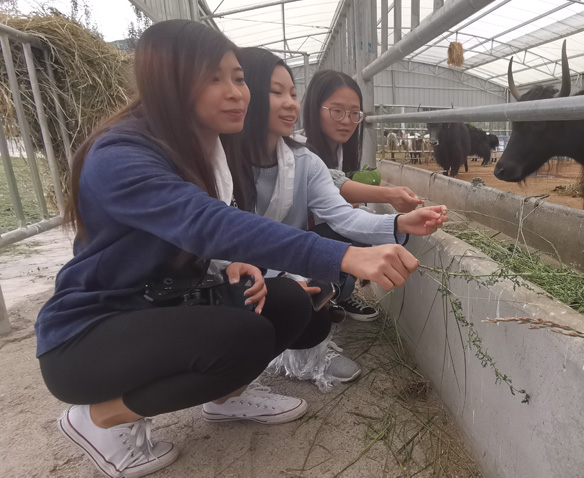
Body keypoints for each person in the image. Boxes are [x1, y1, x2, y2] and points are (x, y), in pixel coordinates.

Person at [36, 20, 425, 478]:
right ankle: (97, 418)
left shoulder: (208, 148)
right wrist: (341, 255)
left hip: (162, 300)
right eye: (213, 78)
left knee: (287, 302)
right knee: (245, 338)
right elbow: (205, 222)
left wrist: (227, 266)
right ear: (169, 83)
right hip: (90, 332)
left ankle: (226, 398)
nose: (237, 92)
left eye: (238, 77)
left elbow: (205, 236)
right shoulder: (121, 154)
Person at [221, 47, 447, 383]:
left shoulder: (304, 162)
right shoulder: (216, 159)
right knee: (253, 303)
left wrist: (400, 222)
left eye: (293, 94)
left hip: (286, 264)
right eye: (276, 92)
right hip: (231, 269)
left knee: (309, 300)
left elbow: (343, 216)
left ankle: (307, 355)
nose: (289, 103)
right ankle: (230, 373)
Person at [301, 69, 426, 321]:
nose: (347, 120)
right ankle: (327, 296)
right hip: (296, 240)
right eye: (337, 111)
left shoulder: (337, 150)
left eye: (354, 113)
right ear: (315, 109)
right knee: (354, 229)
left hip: (313, 232)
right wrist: (390, 196)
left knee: (360, 220)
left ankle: (335, 295)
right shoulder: (303, 150)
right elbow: (334, 183)